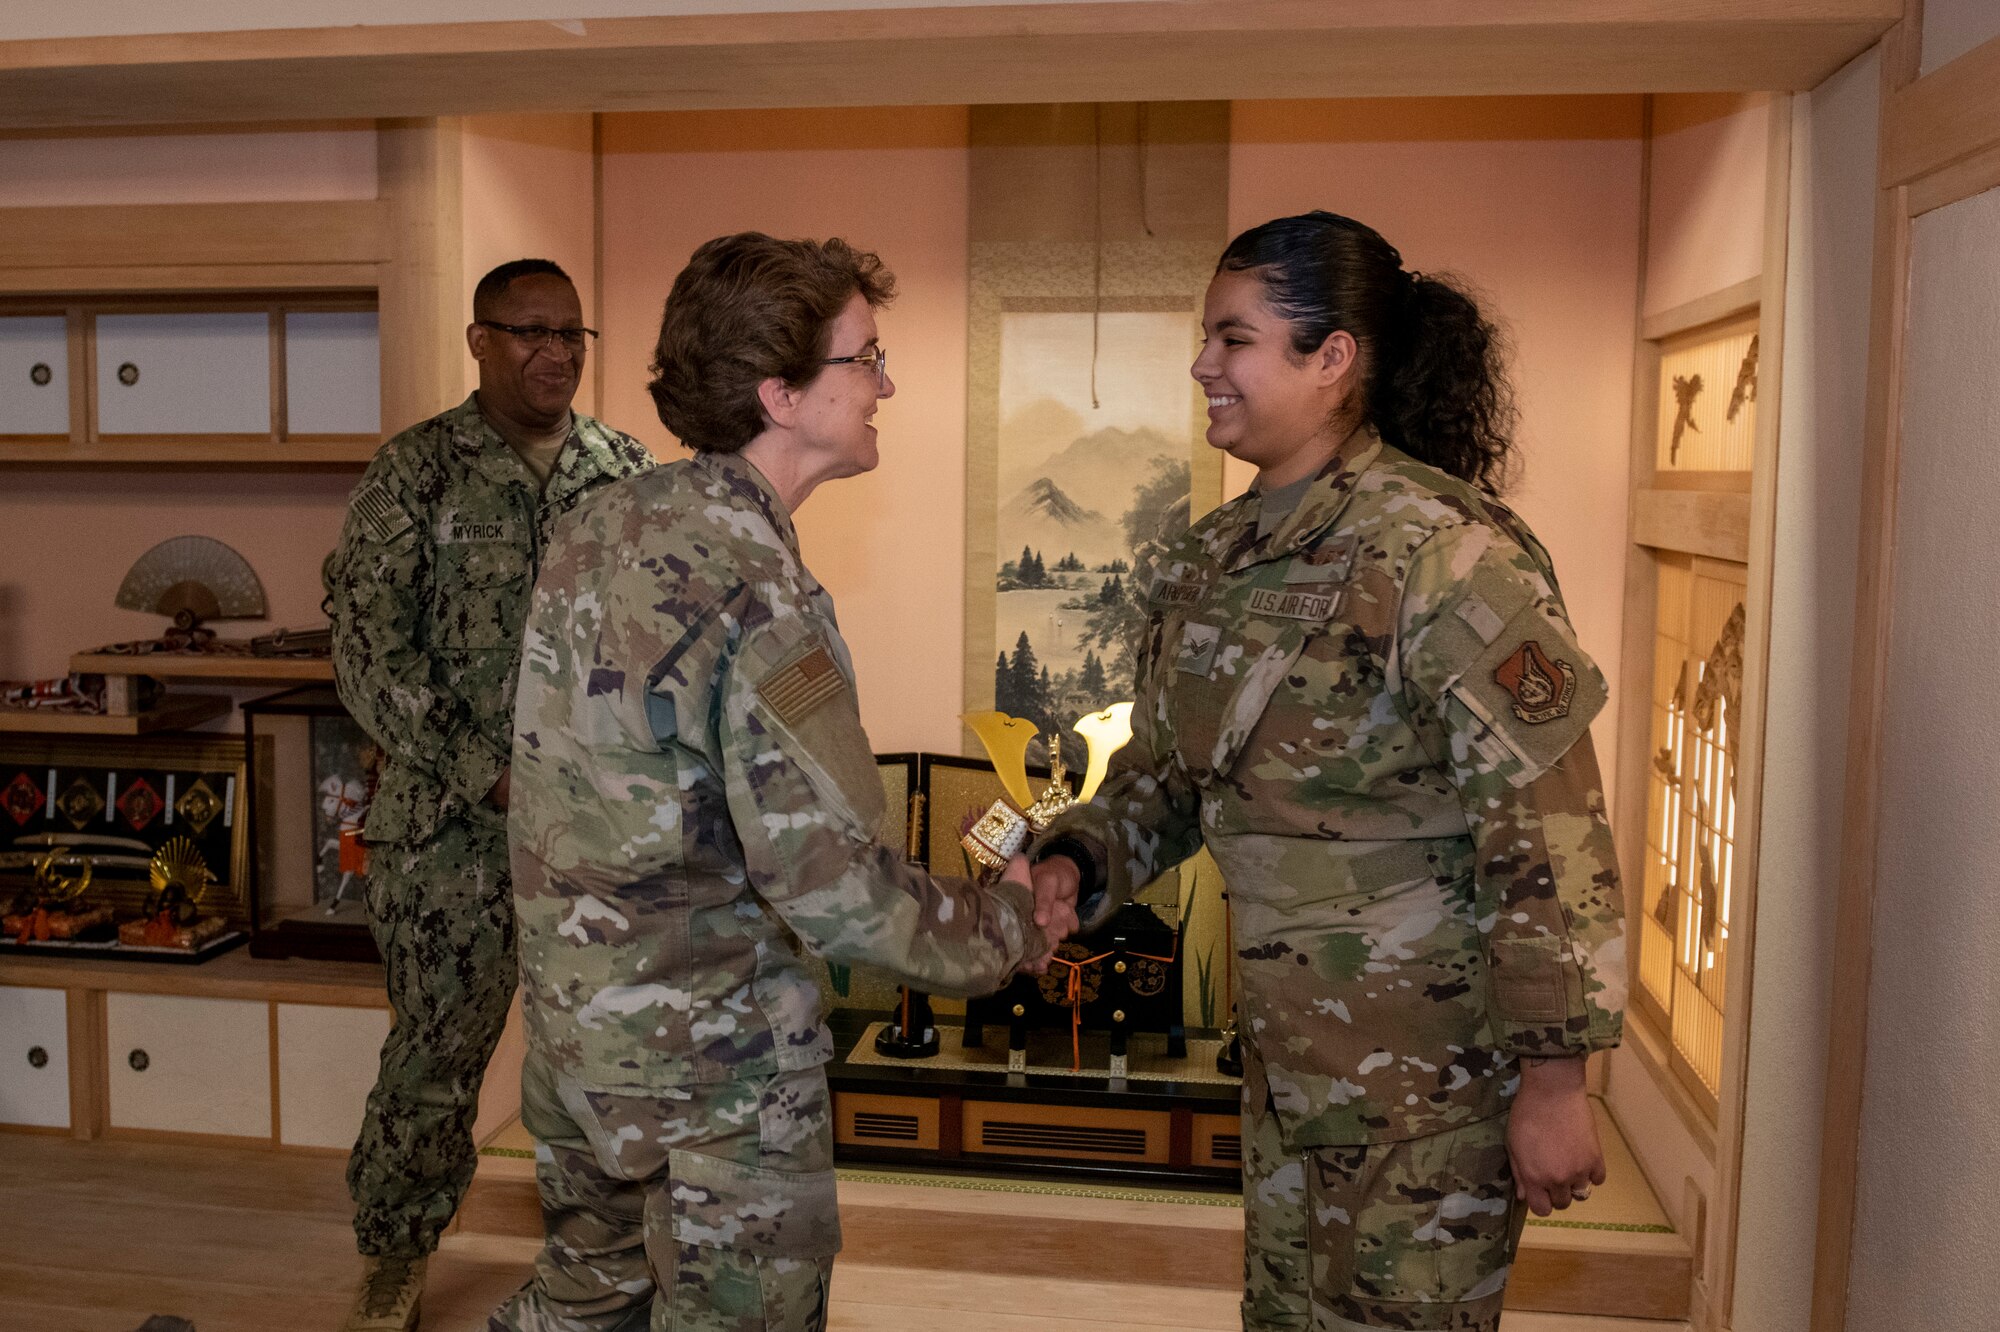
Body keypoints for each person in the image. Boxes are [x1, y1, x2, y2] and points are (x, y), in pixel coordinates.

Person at [1028, 211, 1626, 1331]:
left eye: (1233, 337)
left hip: (1431, 1084)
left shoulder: (1442, 552)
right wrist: (1074, 860)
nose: (1203, 364)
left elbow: (1548, 831)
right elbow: (1168, 779)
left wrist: (1554, 1084)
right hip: (1292, 1068)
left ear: (1331, 356)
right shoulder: (1214, 555)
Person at [489, 232, 1055, 1332]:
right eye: (866, 359)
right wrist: (1008, 925)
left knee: (580, 1306)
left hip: (576, 1046)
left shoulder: (601, 522)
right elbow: (837, 892)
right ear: (780, 393)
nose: (886, 384)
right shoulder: (754, 592)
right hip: (715, 1078)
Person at [325, 258, 655, 1332]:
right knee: (433, 1057)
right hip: (448, 839)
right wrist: (491, 772)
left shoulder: (622, 469)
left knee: (606, 1056)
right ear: (478, 341)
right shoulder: (415, 473)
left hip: (592, 835)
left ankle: (607, 1257)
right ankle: (393, 1257)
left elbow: (661, 640)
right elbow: (370, 656)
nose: (554, 352)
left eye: (571, 333)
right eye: (527, 331)